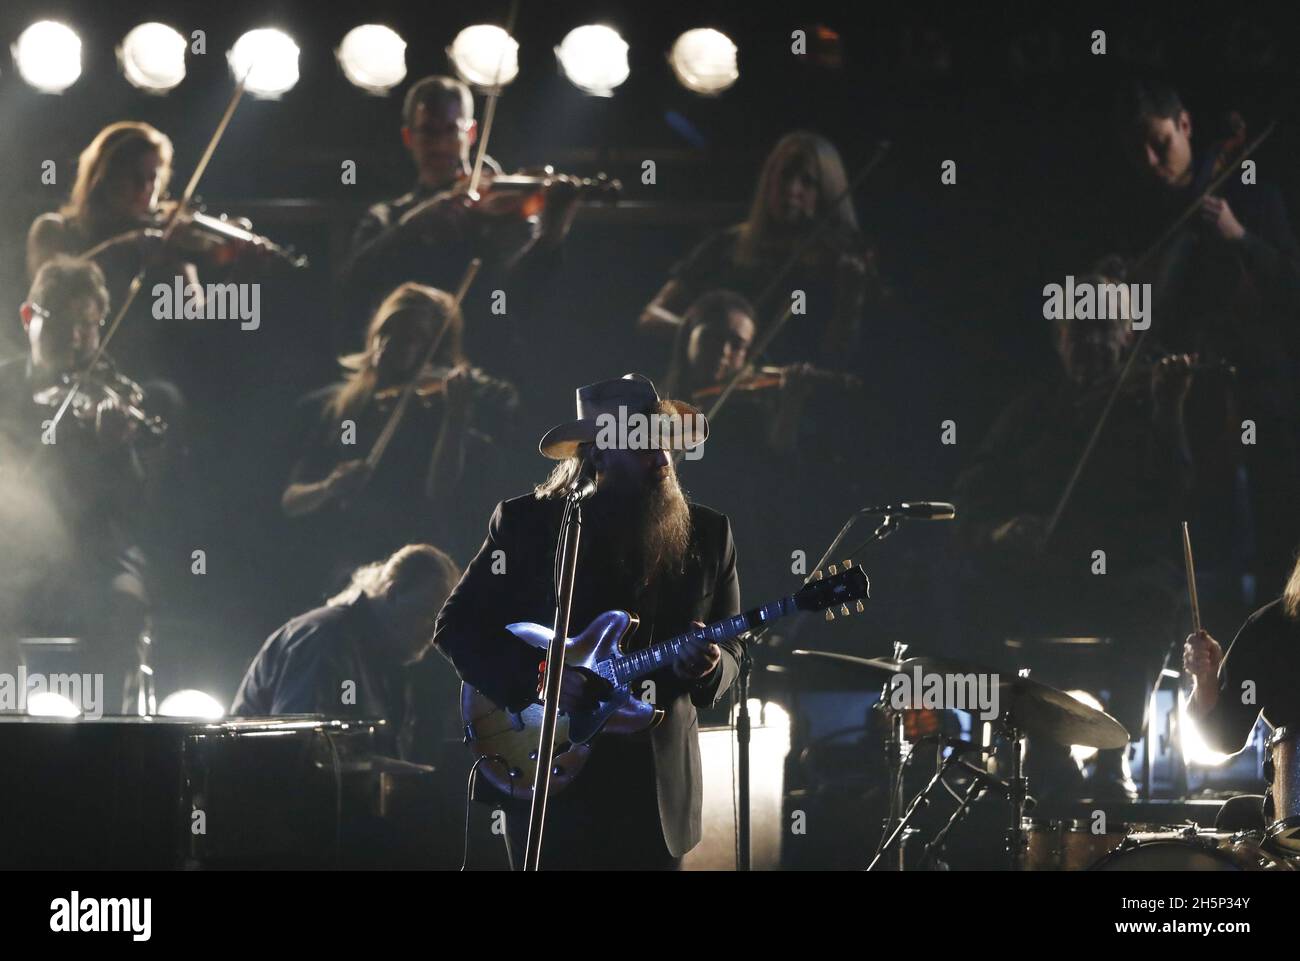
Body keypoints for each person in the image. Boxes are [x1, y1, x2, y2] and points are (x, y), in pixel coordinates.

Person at [433, 373, 743, 869]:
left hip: (654, 786)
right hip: (546, 771)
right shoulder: (528, 524)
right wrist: (538, 678)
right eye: (640, 446)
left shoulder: (709, 532)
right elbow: (457, 627)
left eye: (662, 444)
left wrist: (708, 666)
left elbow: (734, 649)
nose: (661, 459)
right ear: (597, 453)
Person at [954, 263, 1199, 799]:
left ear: (1128, 334)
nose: (1091, 342)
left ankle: (1117, 756)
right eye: (1077, 330)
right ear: (1059, 338)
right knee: (987, 597)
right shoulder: (1032, 409)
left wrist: (1169, 409)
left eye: (1104, 328)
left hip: (1128, 574)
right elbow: (973, 495)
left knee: (1153, 599)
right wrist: (999, 531)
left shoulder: (1150, 399)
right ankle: (1045, 752)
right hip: (1050, 574)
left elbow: (1179, 497)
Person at [1114, 79, 1300, 596]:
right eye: (1141, 152)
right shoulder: (1155, 214)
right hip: (1194, 404)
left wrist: (1240, 237)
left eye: (1161, 143)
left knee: (1276, 537)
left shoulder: (1248, 188)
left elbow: (1291, 285)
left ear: (1186, 125)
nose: (1153, 161)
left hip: (1260, 393)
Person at [0, 256, 160, 712]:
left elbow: (136, 509)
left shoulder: (111, 397)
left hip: (95, 556)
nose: (75, 339)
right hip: (14, 555)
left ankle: (104, 738)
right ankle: (9, 733)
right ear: (29, 317)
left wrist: (118, 448)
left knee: (124, 603)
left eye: (89, 326)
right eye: (64, 323)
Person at [282, 282, 517, 582]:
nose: (392, 343)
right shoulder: (332, 406)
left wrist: (455, 418)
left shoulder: (433, 411)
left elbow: (440, 490)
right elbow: (291, 500)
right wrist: (329, 486)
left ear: (433, 350)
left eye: (413, 338)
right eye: (387, 330)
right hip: (338, 563)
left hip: (410, 569)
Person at [340, 75, 582, 364]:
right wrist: (414, 224)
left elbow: (524, 291)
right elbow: (352, 283)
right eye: (429, 132)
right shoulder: (386, 217)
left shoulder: (499, 210)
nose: (441, 145)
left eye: (451, 131)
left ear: (471, 133)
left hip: (487, 360)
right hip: (405, 362)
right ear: (408, 137)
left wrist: (552, 231)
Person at [640, 130, 886, 370]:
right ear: (769, 178)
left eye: (808, 181)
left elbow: (838, 358)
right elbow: (651, 316)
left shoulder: (835, 264)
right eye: (785, 175)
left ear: (826, 193)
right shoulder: (727, 245)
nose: (792, 189)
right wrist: (703, 336)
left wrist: (850, 299)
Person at [230, 543, 460, 758]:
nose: (435, 634)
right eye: (429, 615)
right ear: (394, 592)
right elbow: (297, 750)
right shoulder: (325, 639)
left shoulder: (369, 650)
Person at [27, 122, 201, 383]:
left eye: (153, 178)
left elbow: (194, 321)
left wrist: (237, 274)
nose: (146, 189)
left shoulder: (164, 242)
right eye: (135, 177)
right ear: (104, 176)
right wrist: (126, 247)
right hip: (65, 372)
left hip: (139, 380)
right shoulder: (55, 229)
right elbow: (51, 288)